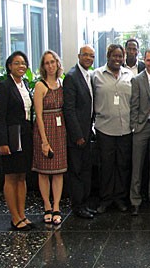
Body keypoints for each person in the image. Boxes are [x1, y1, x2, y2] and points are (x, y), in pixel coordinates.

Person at [93, 44, 134, 214]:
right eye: (114, 56)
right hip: (105, 129)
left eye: (120, 57)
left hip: (125, 128)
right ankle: (106, 198)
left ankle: (120, 198)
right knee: (107, 165)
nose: (117, 59)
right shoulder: (96, 76)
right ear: (108, 56)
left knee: (123, 165)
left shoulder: (129, 75)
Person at [0, 51, 34, 230]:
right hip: (10, 137)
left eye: (24, 63)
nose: (21, 66)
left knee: (21, 176)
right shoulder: (4, 86)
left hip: (25, 135)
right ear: (9, 66)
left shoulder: (25, 84)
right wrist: (2, 142)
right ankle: (14, 217)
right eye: (17, 63)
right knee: (11, 176)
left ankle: (22, 214)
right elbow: (0, 117)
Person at [32, 50, 67, 225]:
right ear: (43, 66)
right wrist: (44, 140)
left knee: (59, 171)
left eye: (53, 62)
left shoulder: (61, 83)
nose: (50, 65)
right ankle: (46, 205)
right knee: (44, 171)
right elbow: (37, 114)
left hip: (60, 131)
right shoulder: (40, 86)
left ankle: (57, 206)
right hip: (44, 129)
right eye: (47, 63)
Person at [63, 45, 97, 219]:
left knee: (85, 170)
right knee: (76, 171)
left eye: (92, 56)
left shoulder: (88, 75)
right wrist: (77, 135)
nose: (89, 59)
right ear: (79, 56)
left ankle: (84, 204)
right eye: (85, 55)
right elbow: (68, 110)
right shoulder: (71, 77)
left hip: (87, 132)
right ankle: (77, 206)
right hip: (77, 136)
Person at [129, 49, 150, 216]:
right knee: (137, 165)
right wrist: (135, 126)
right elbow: (133, 105)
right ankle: (135, 200)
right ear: (144, 60)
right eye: (148, 60)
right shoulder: (137, 80)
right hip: (141, 127)